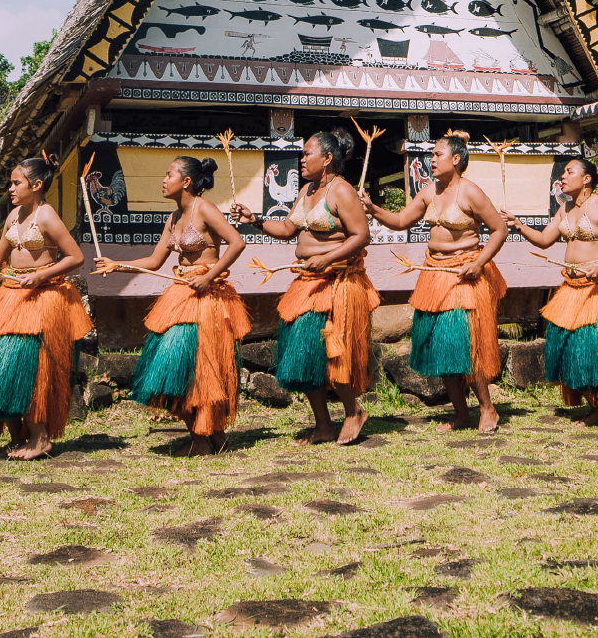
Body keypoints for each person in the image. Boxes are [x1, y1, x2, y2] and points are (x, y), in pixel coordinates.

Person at [0, 155, 93, 459]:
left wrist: (40, 275)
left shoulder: (47, 216)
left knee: (28, 367)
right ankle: (18, 436)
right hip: (10, 296)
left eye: (16, 182)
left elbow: (75, 257)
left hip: (40, 300)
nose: (10, 188)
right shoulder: (12, 216)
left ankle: (40, 438)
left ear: (36, 185)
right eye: (11, 182)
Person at [231, 128, 378, 445]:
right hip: (307, 281)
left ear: (327, 158)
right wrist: (254, 220)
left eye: (307, 153)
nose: (301, 159)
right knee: (304, 351)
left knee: (329, 349)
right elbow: (286, 229)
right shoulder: (307, 191)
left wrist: (327, 259)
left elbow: (361, 236)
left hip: (337, 281)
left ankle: (353, 411)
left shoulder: (341, 191)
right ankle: (323, 424)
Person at [102, 157, 249, 456]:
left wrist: (209, 275)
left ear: (186, 182)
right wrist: (117, 265)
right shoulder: (173, 219)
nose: (163, 180)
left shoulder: (203, 208)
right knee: (170, 366)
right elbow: (154, 261)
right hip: (181, 295)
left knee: (202, 368)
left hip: (207, 298)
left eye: (169, 174)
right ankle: (209, 436)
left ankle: (204, 438)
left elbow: (236, 242)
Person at [362, 131, 507, 431]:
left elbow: (499, 230)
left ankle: (487, 409)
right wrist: (374, 209)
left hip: (464, 273)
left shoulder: (470, 192)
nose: (431, 159)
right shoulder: (429, 192)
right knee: (443, 345)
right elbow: (402, 221)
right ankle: (461, 414)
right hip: (434, 273)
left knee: (468, 344)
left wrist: (479, 263)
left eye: (437, 154)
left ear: (455, 159)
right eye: (432, 155)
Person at [504, 158, 598, 427]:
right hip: (573, 287)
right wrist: (519, 225)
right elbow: (545, 240)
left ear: (586, 179)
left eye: (569, 171)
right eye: (563, 172)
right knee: (569, 347)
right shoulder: (564, 209)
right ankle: (596, 409)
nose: (563, 176)